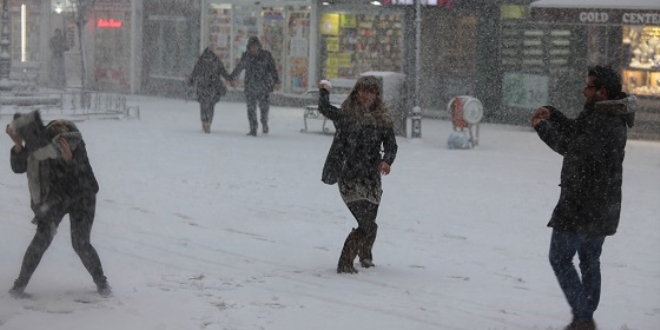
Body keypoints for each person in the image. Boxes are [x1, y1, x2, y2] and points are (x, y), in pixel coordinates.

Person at [531, 65, 635, 330]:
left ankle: (584, 317)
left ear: (601, 91)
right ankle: (585, 312)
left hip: (582, 204)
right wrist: (553, 115)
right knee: (589, 259)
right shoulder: (603, 114)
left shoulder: (605, 122)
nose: (584, 90)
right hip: (601, 205)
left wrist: (543, 128)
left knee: (560, 258)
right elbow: (575, 132)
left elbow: (570, 147)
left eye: (588, 86)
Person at [6, 111, 111, 298]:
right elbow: (19, 167)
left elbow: (82, 176)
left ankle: (102, 284)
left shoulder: (68, 138)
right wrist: (17, 146)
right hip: (57, 197)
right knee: (41, 240)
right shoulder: (37, 145)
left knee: (80, 243)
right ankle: (19, 287)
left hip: (82, 195)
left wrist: (70, 159)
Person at [317, 76, 398, 274]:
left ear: (376, 95)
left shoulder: (382, 120)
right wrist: (324, 90)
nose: (366, 96)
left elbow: (391, 144)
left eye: (371, 92)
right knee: (365, 222)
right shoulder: (346, 115)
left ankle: (365, 254)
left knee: (370, 220)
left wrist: (387, 160)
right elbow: (325, 109)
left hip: (370, 176)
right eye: (363, 91)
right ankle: (345, 262)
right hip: (349, 174)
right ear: (356, 92)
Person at [229, 37, 280, 136]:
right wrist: (232, 77)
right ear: (249, 47)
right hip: (250, 86)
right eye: (252, 47)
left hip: (263, 86)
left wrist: (276, 80)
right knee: (251, 109)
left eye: (255, 46)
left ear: (259, 46)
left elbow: (272, 69)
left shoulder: (266, 55)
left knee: (264, 107)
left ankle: (264, 122)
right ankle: (253, 128)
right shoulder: (246, 56)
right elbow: (239, 67)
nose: (254, 48)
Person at [189, 47, 232, 134]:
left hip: (202, 87)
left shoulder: (201, 62)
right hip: (213, 87)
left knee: (203, 105)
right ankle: (208, 121)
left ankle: (204, 121)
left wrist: (191, 82)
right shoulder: (216, 61)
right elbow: (223, 72)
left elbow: (194, 73)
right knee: (211, 105)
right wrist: (230, 79)